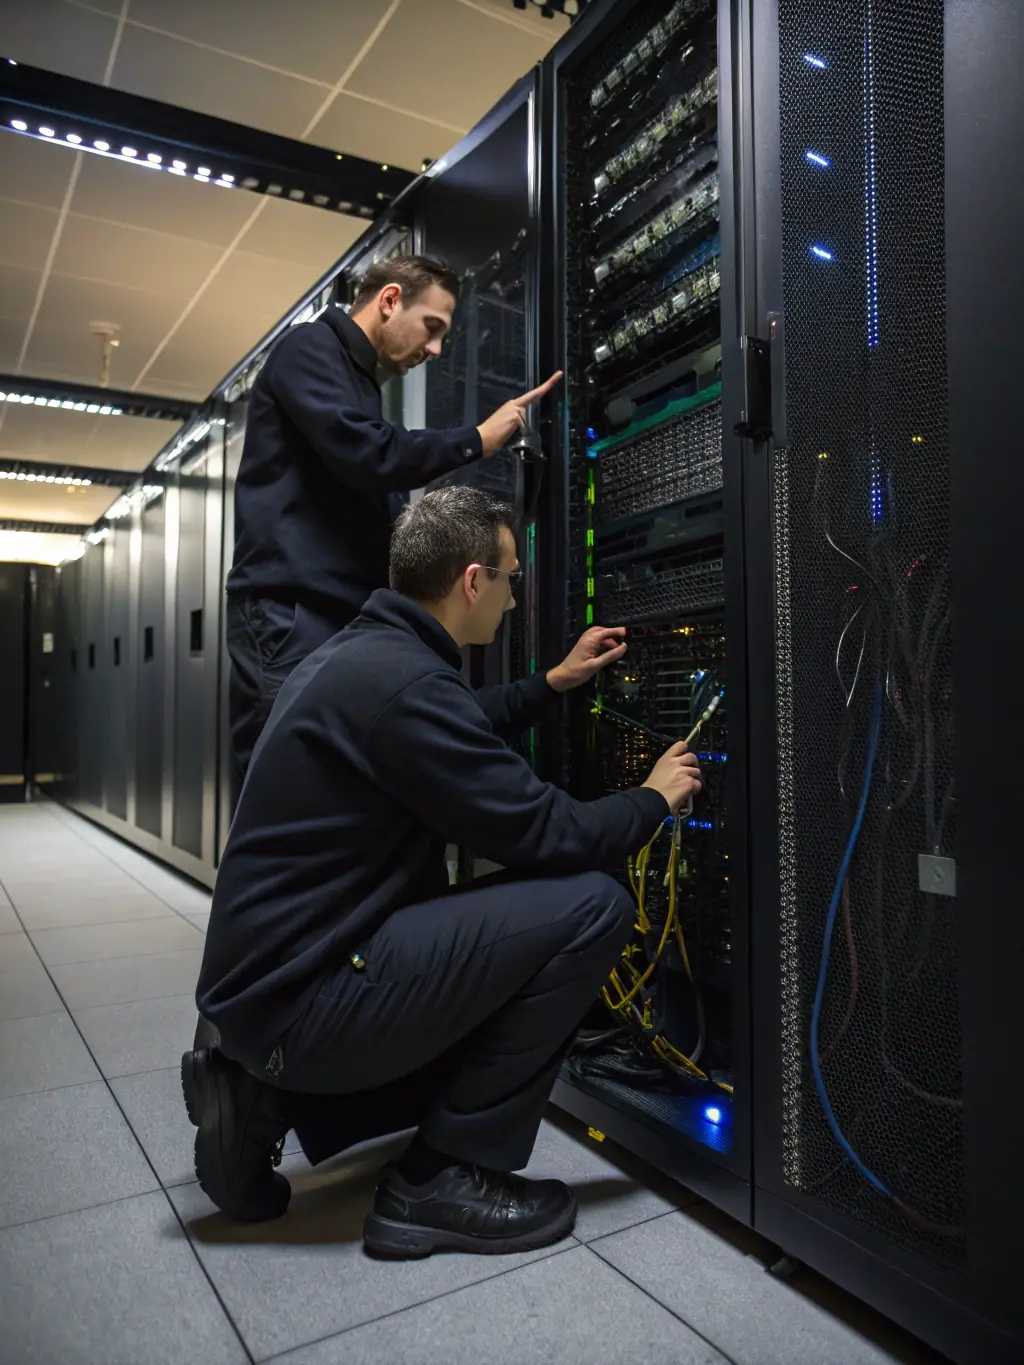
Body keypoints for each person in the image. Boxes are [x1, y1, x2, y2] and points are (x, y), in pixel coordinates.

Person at [182, 486, 702, 1258]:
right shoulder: (407, 684)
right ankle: (442, 1179)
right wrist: (650, 799)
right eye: (510, 578)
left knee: (486, 948)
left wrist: (550, 684)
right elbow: (547, 831)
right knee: (592, 905)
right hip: (311, 998)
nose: (516, 598)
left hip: (270, 994)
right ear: (470, 581)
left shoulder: (361, 655)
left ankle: (263, 1095)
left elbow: (450, 726)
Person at [225, 252, 562, 773]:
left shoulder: (358, 379)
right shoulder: (310, 348)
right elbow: (369, 455)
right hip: (290, 611)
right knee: (286, 773)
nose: (435, 348)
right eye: (432, 327)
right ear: (389, 300)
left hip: (331, 609)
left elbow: (367, 483)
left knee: (331, 775)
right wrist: (477, 439)